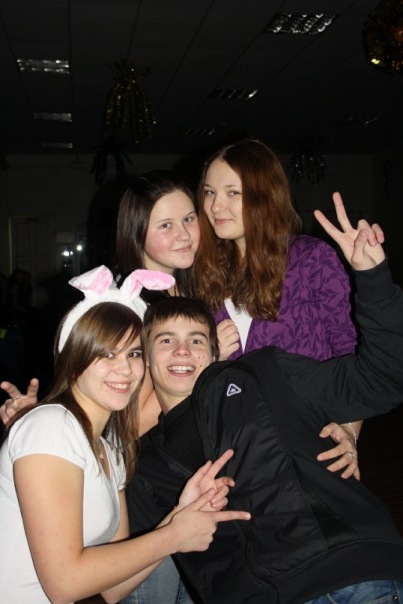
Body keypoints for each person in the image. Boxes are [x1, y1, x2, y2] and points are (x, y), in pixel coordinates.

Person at [124, 193, 403, 603]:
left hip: (344, 575)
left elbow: (380, 378)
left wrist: (373, 277)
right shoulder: (148, 468)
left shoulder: (264, 375)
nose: (183, 351)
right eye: (166, 341)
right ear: (142, 358)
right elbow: (113, 585)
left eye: (197, 339)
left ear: (216, 348)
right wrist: (172, 532)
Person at [0, 265, 251, 604]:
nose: (124, 369)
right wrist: (175, 535)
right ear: (73, 357)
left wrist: (180, 515)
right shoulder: (52, 425)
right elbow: (64, 583)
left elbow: (113, 588)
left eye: (133, 353)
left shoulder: (110, 452)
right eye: (106, 354)